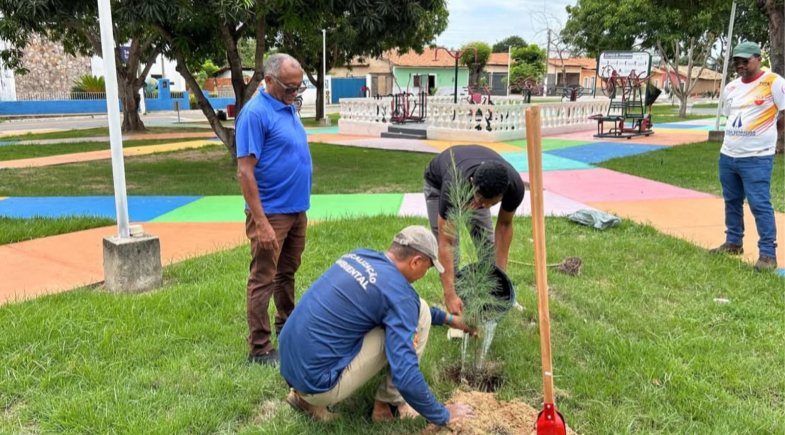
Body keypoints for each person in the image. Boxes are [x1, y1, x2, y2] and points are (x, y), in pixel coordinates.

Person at [279, 226, 476, 426]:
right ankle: (388, 403)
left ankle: (304, 400)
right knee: (418, 313)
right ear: (416, 261)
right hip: (318, 385)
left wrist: (450, 320)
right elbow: (405, 374)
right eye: (428, 267)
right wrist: (443, 414)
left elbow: (400, 306)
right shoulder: (400, 296)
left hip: (289, 363)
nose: (426, 273)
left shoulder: (360, 256)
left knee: (416, 308)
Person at [236, 53, 312, 365]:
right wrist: (262, 222)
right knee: (263, 277)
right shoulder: (254, 113)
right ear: (268, 81)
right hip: (270, 214)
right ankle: (260, 347)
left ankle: (287, 328)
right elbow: (245, 171)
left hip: (296, 211)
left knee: (287, 273)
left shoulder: (287, 106)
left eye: (299, 88)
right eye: (289, 88)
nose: (295, 94)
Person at [423, 145, 525, 314]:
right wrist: (450, 294)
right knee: (452, 249)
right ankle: (456, 304)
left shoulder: (514, 187)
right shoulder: (452, 186)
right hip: (438, 185)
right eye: (482, 200)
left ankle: (495, 294)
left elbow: (504, 226)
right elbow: (446, 243)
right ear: (472, 183)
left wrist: (500, 280)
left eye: (492, 203)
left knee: (486, 245)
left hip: (477, 185)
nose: (485, 207)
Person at [710, 41, 784, 271]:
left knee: (759, 204)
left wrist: (770, 134)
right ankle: (733, 242)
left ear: (758, 59)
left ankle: (768, 255)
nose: (740, 65)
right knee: (732, 201)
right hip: (728, 155)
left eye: (745, 60)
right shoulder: (731, 87)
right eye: (736, 61)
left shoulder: (773, 82)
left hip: (757, 158)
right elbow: (731, 117)